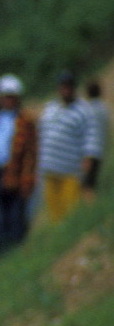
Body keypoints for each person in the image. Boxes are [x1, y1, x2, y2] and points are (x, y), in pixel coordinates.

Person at [0, 74, 37, 254]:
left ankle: (17, 250)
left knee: (15, 215)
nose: (8, 100)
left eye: (11, 97)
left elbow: (30, 152)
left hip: (15, 173)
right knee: (0, 218)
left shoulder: (25, 120)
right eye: (5, 97)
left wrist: (27, 176)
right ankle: (3, 252)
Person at [37, 71, 101, 223]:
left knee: (70, 214)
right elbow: (42, 133)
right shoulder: (50, 107)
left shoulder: (84, 110)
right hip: (49, 170)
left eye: (68, 86)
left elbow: (91, 137)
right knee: (54, 216)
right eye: (62, 86)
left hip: (70, 171)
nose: (65, 90)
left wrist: (88, 159)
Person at [82, 80, 109, 202]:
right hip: (99, 149)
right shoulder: (104, 109)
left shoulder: (86, 109)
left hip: (88, 150)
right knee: (92, 180)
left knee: (87, 184)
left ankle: (89, 207)